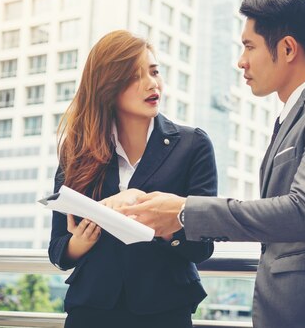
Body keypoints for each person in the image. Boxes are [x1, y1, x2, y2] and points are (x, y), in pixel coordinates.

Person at [120, 0, 305, 328]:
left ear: (288, 48)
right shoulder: (291, 116)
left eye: (249, 46)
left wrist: (185, 211)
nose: (241, 61)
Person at [48, 30, 217, 328]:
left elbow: (201, 248)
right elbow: (59, 250)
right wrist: (80, 241)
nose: (152, 83)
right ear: (108, 86)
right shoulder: (78, 150)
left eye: (154, 72)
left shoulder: (193, 145)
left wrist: (161, 222)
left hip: (164, 311)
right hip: (91, 311)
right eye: (135, 76)